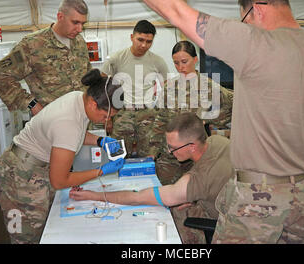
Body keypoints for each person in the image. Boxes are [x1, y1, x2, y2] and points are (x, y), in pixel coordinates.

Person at [93, 0, 304, 244]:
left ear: (257, 10)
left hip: (258, 198)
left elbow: (180, 13)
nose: (245, 26)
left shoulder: (257, 44)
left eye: (244, 20)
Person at [0, 69, 124, 244]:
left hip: (34, 168)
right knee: (27, 236)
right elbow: (60, 181)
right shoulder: (67, 122)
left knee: (49, 226)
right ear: (93, 103)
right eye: (106, 115)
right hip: (20, 176)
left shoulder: (79, 99)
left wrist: (100, 141)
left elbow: (73, 135)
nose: (107, 121)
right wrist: (100, 171)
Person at [69, 112, 233, 244]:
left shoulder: (197, 181)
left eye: (173, 148)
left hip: (227, 224)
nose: (169, 152)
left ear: (192, 147)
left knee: (168, 219)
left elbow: (137, 198)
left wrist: (94, 195)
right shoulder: (217, 141)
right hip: (234, 204)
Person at [0, 0, 92, 116]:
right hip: (51, 122)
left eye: (83, 23)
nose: (80, 29)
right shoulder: (32, 44)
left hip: (81, 118)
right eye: (75, 22)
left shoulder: (79, 41)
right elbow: (1, 76)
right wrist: (31, 104)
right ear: (60, 17)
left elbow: (86, 73)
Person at [151, 40, 233, 185]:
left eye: (184, 61)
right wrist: (152, 150)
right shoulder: (170, 87)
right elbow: (161, 119)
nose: (180, 67)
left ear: (195, 60)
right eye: (176, 63)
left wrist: (208, 119)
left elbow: (232, 107)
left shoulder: (209, 87)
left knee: (197, 196)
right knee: (169, 196)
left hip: (197, 156)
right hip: (170, 158)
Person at [101, 20, 169, 157]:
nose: (144, 45)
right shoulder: (116, 59)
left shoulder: (158, 61)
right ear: (132, 37)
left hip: (147, 114)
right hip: (122, 113)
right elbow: (103, 88)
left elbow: (167, 88)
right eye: (140, 40)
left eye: (149, 41)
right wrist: (107, 118)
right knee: (117, 155)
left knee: (149, 155)